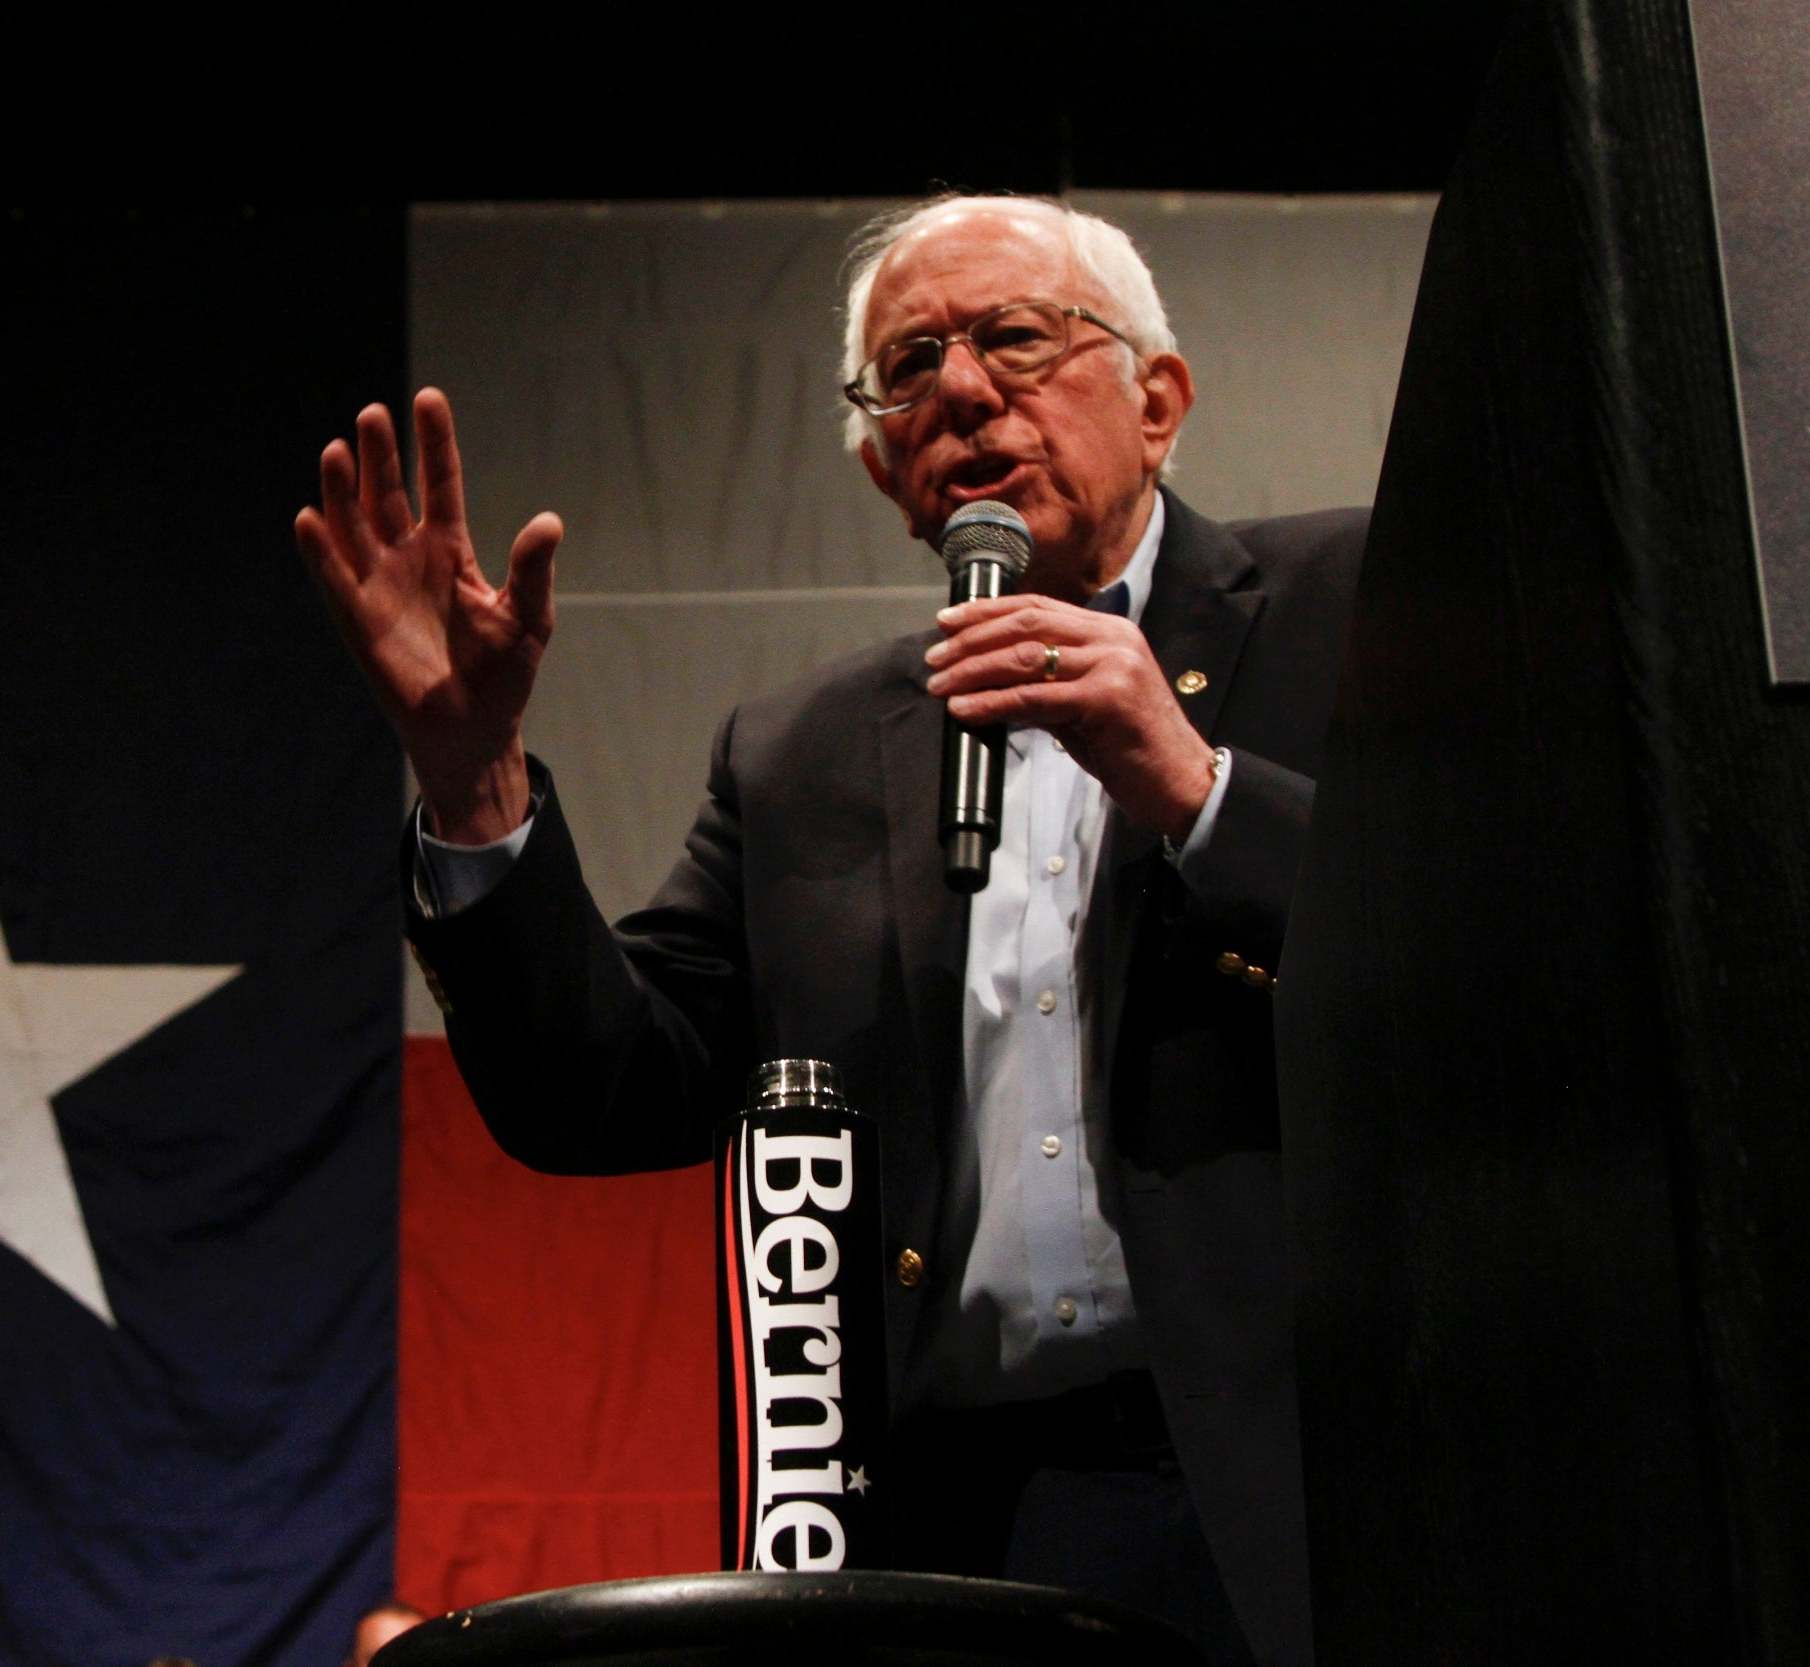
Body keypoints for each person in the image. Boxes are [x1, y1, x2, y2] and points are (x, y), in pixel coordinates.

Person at [296, 193, 1366, 1667]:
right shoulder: (801, 749)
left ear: (1158, 400)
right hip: (960, 1519)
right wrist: (470, 781)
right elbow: (606, 1097)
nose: (965, 390)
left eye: (1013, 337)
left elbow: (1490, 968)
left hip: (1306, 1480)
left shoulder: (1350, 607)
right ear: (882, 467)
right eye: (910, 365)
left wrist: (1192, 790)